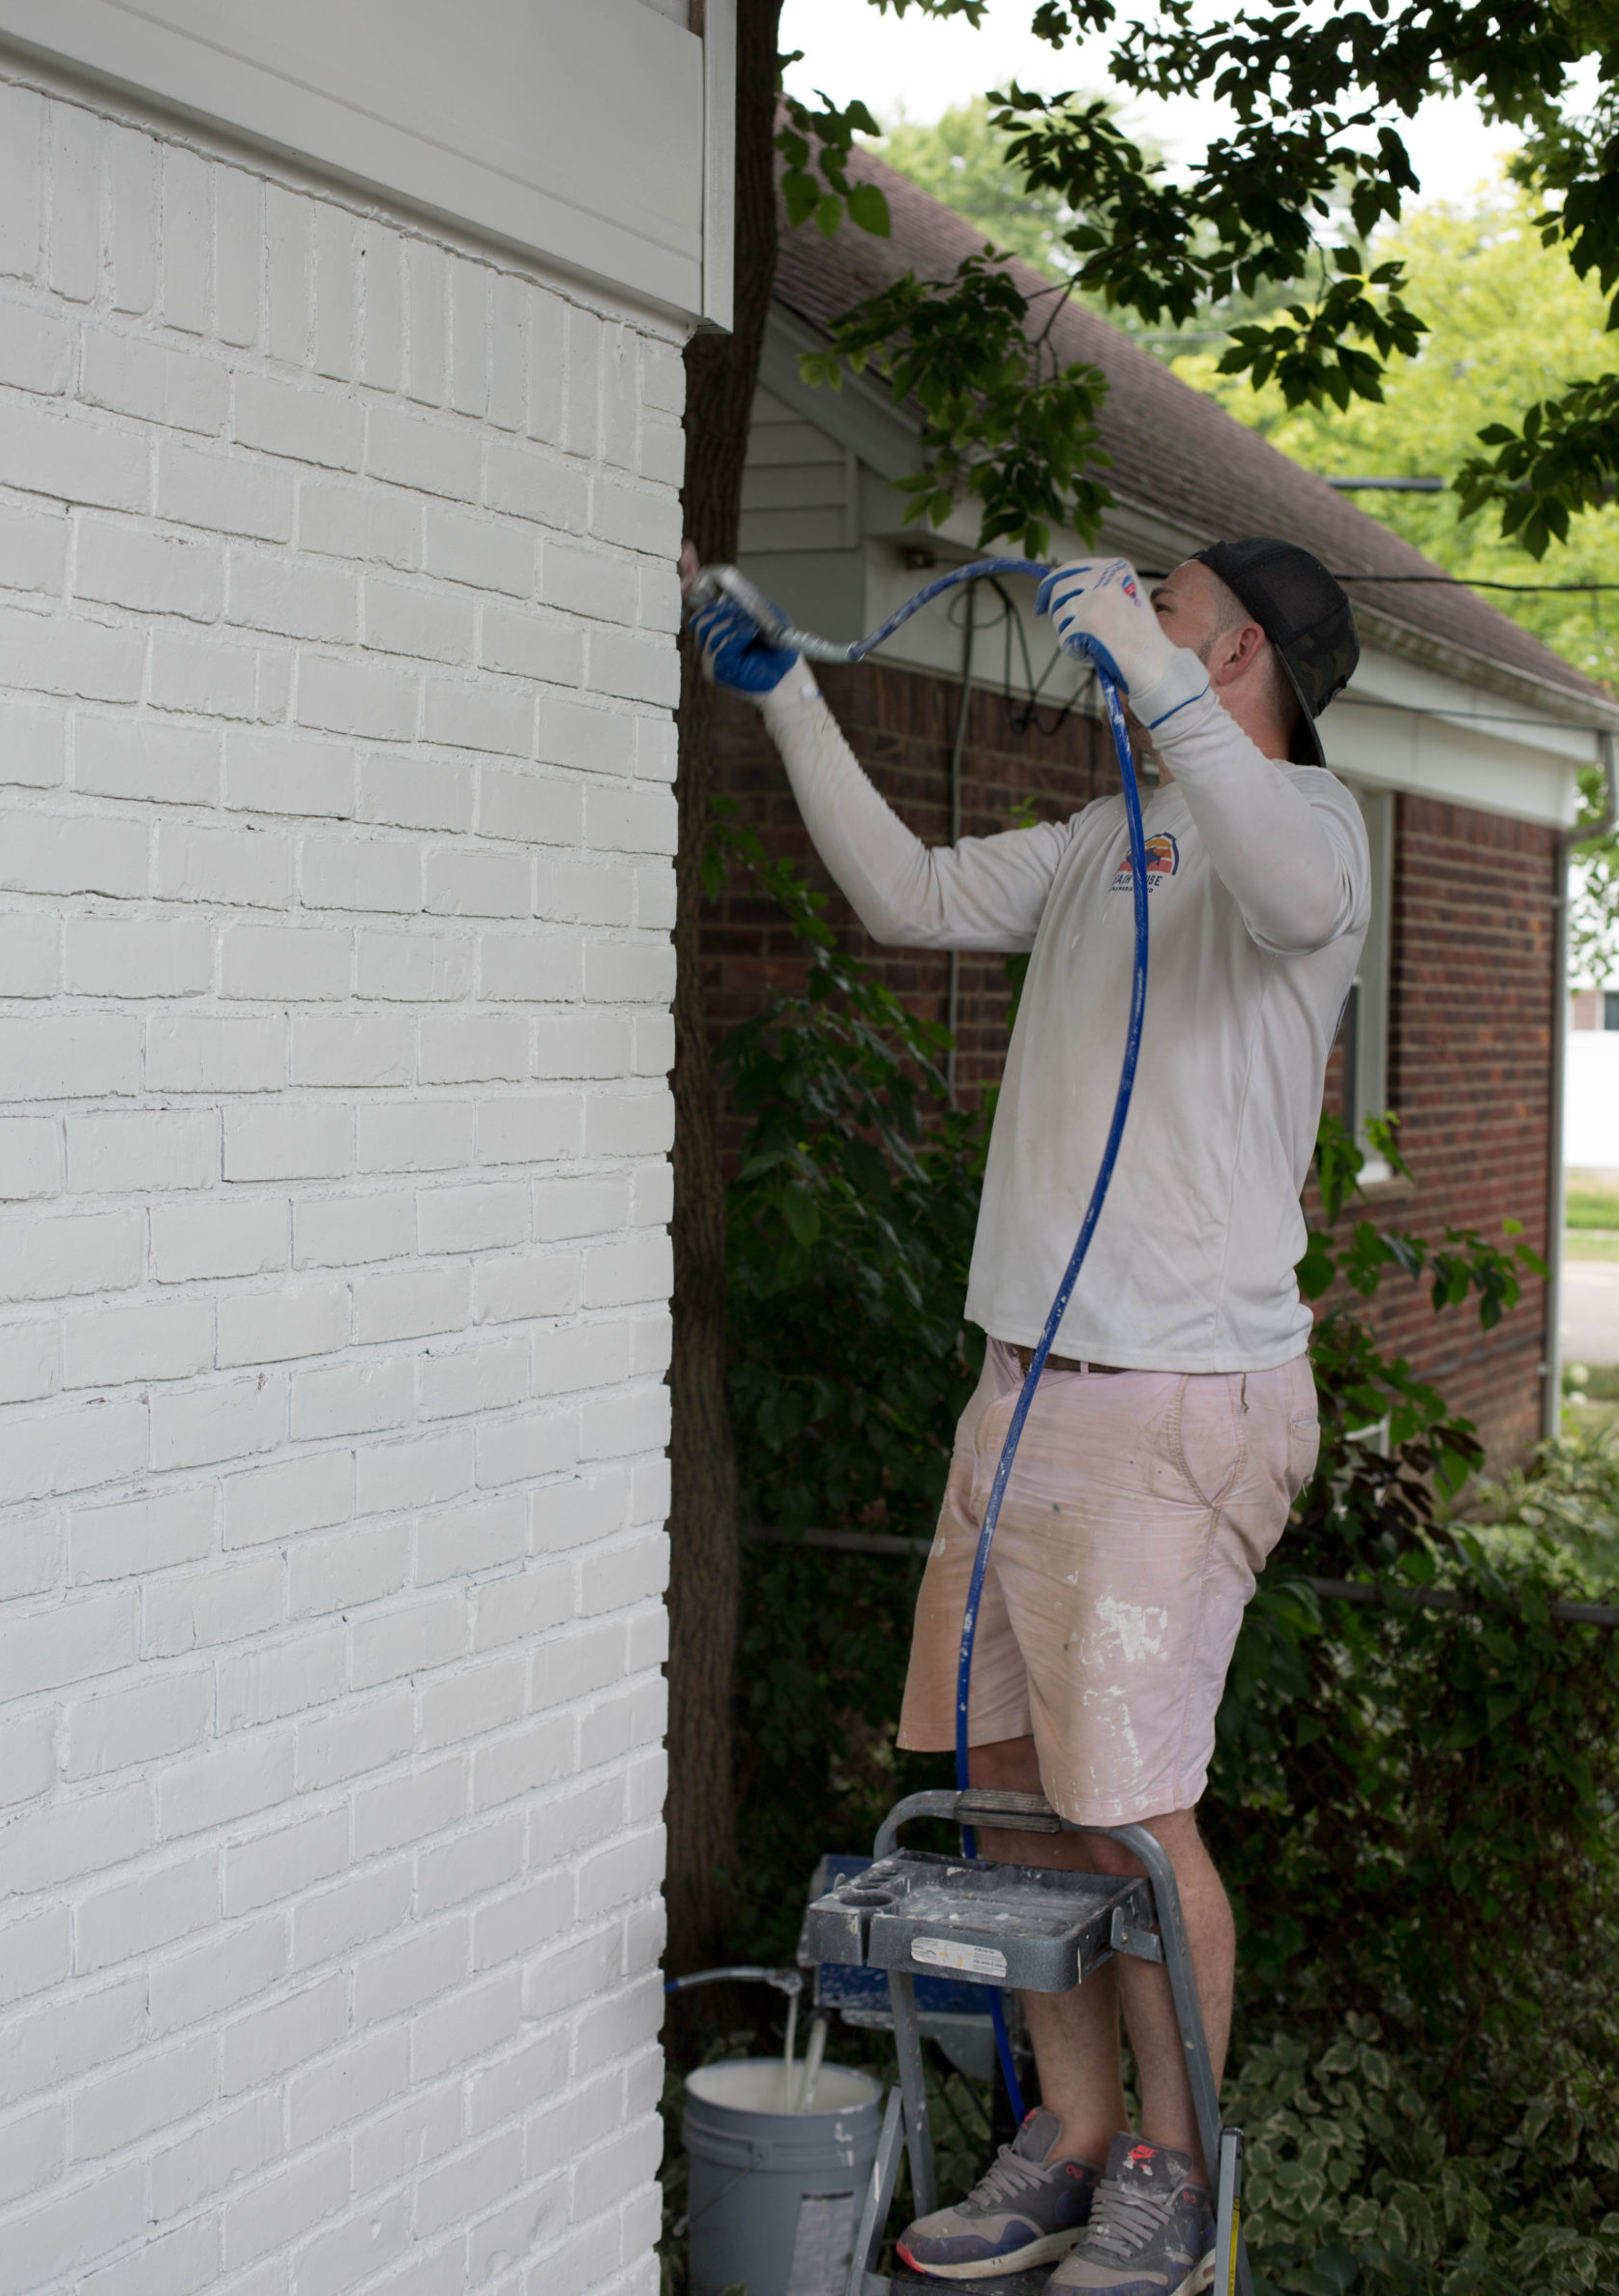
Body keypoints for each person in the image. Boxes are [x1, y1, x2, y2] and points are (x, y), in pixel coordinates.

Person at [689, 538, 1369, 2296]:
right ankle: (1068, 2142)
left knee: (1131, 1814)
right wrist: (793, 705)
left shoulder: (1309, 840)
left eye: (1171, 604)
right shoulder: (1096, 849)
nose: (1128, 609)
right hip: (1021, 1395)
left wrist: (1148, 659)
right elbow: (906, 900)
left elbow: (1284, 883)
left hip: (1175, 1411)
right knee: (1003, 1799)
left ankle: (1172, 2164)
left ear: (1239, 660)